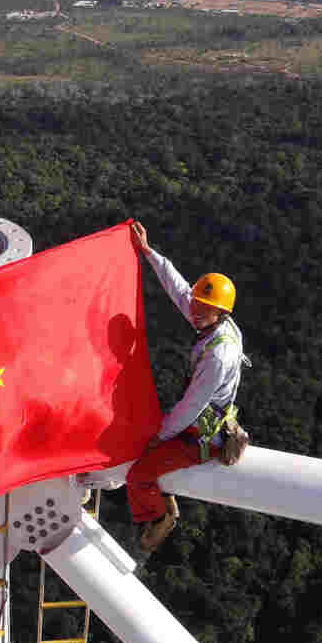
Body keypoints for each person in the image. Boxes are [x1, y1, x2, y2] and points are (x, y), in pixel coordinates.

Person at [126, 220, 245, 555]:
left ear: (218, 313)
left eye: (202, 309)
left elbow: (192, 406)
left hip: (202, 435)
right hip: (200, 420)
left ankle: (160, 517)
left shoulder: (218, 355)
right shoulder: (217, 322)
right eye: (196, 305)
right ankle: (166, 499)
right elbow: (179, 290)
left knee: (139, 474)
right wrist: (149, 253)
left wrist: (160, 436)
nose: (194, 311)